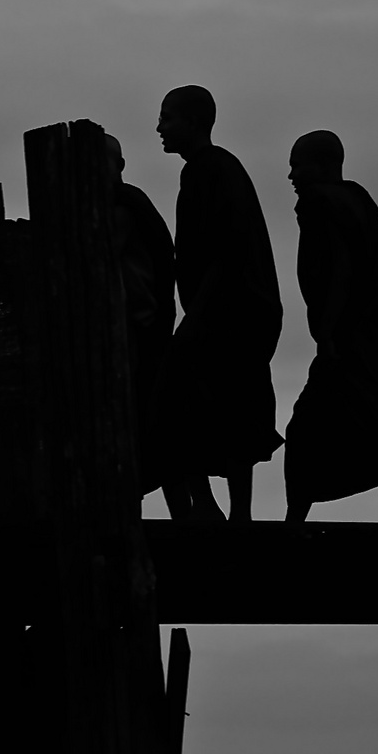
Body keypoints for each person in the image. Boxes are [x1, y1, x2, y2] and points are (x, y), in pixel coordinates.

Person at [282, 130, 378, 524]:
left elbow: (341, 269)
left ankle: (293, 523)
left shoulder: (319, 202)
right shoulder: (360, 201)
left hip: (343, 339)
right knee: (359, 418)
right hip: (374, 338)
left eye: (299, 164)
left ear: (326, 166)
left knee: (310, 430)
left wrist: (327, 334)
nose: (291, 174)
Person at [154, 85, 282, 520]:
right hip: (228, 312)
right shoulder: (208, 170)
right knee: (222, 404)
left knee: (191, 395)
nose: (159, 127)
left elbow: (226, 251)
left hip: (231, 313)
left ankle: (221, 509)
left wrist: (195, 316)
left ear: (193, 122)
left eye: (168, 117)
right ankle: (217, 507)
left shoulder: (213, 170)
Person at [103, 134, 176, 498]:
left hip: (138, 329)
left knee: (144, 425)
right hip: (144, 326)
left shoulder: (122, 208)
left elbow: (102, 261)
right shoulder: (128, 203)